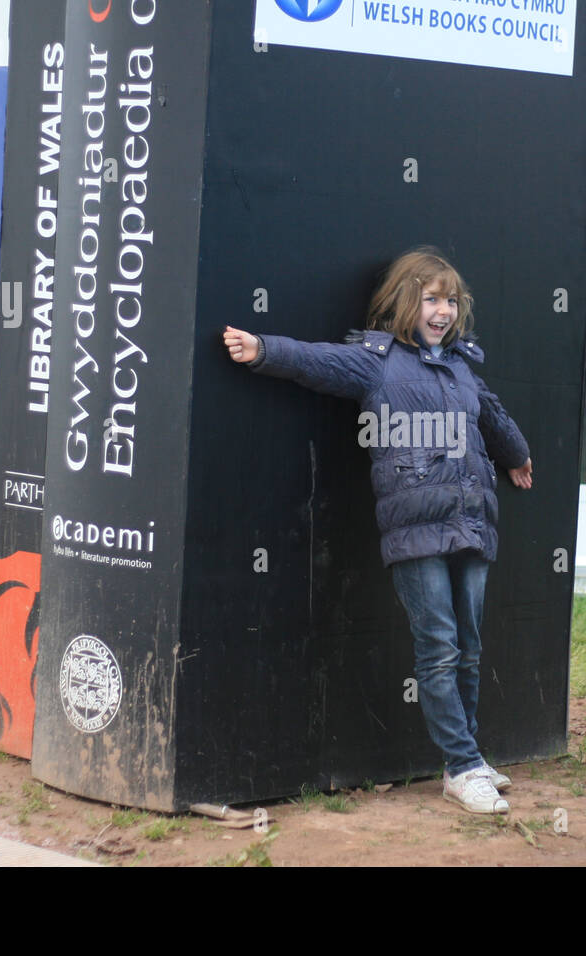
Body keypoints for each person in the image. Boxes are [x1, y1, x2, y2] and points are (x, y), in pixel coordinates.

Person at [222, 246, 533, 814]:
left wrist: (515, 454)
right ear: (404, 301)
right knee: (438, 647)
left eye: (451, 299)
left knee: (469, 647)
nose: (443, 309)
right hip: (415, 530)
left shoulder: (461, 364)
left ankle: (468, 753)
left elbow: (490, 412)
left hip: (471, 520)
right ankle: (461, 768)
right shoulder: (377, 361)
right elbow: (316, 362)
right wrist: (264, 349)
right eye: (431, 298)